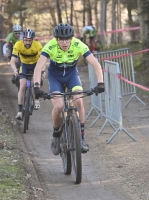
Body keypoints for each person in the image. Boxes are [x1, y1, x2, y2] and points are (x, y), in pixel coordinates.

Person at [32, 23, 105, 155]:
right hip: (55, 76)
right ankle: (55, 136)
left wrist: (101, 83)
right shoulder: (50, 45)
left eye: (67, 39)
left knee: (78, 101)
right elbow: (39, 67)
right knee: (59, 106)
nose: (65, 42)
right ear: (56, 39)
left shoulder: (78, 44)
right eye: (61, 39)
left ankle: (81, 137)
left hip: (71, 75)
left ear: (72, 38)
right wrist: (36, 86)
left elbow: (95, 63)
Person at [10, 28, 45, 120]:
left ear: (33, 40)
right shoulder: (18, 45)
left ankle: (37, 99)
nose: (28, 42)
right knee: (22, 86)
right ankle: (20, 111)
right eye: (26, 40)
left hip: (36, 65)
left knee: (37, 82)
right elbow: (12, 61)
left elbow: (43, 61)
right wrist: (15, 70)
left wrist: (43, 71)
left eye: (30, 40)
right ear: (23, 39)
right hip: (24, 66)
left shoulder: (37, 45)